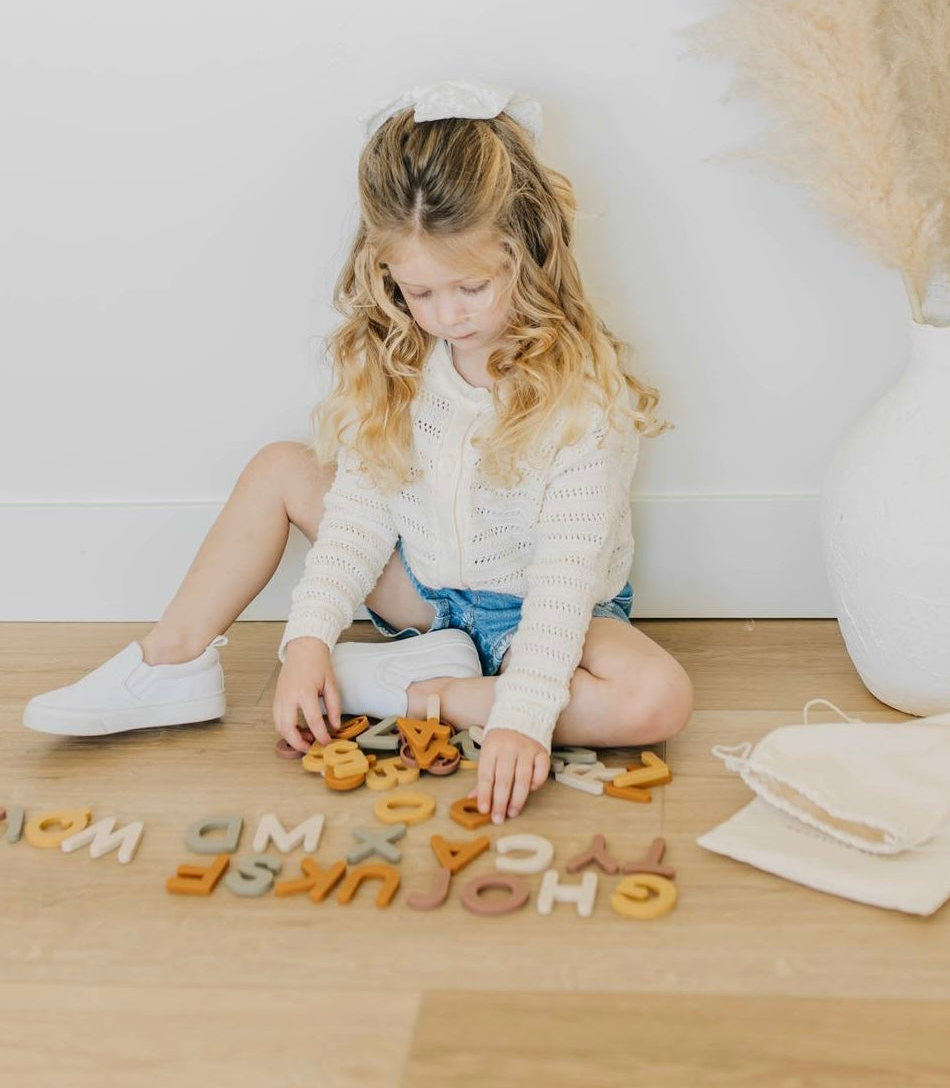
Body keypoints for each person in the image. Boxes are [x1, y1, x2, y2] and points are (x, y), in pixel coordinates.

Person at [23, 78, 693, 824]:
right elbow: (361, 513)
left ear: (526, 251)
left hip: (542, 616)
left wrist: (520, 714)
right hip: (425, 591)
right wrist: (306, 639)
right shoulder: (405, 359)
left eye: (471, 286)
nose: (447, 317)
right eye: (419, 292)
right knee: (281, 467)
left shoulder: (581, 393)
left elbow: (566, 574)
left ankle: (427, 688)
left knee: (655, 698)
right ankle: (170, 663)